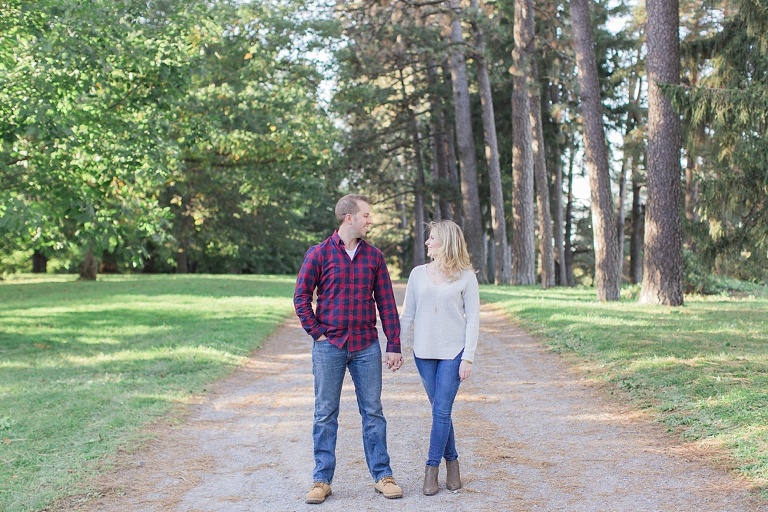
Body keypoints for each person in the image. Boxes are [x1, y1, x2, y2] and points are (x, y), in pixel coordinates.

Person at [294, 194, 404, 505]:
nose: (370, 221)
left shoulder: (375, 257)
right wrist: (317, 333)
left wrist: (393, 344)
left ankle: (383, 476)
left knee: (373, 412)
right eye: (366, 215)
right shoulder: (318, 254)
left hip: (366, 346)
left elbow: (386, 304)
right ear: (349, 218)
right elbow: (301, 298)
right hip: (330, 346)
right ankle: (321, 480)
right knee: (325, 413)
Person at [399, 220, 480, 496]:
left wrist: (467, 358)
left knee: (441, 410)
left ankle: (431, 470)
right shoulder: (417, 274)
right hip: (423, 353)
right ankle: (454, 466)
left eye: (432, 238)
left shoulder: (466, 276)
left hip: (453, 353)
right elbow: (407, 315)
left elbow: (473, 321)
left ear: (446, 242)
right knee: (440, 411)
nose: (427, 243)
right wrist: (394, 346)